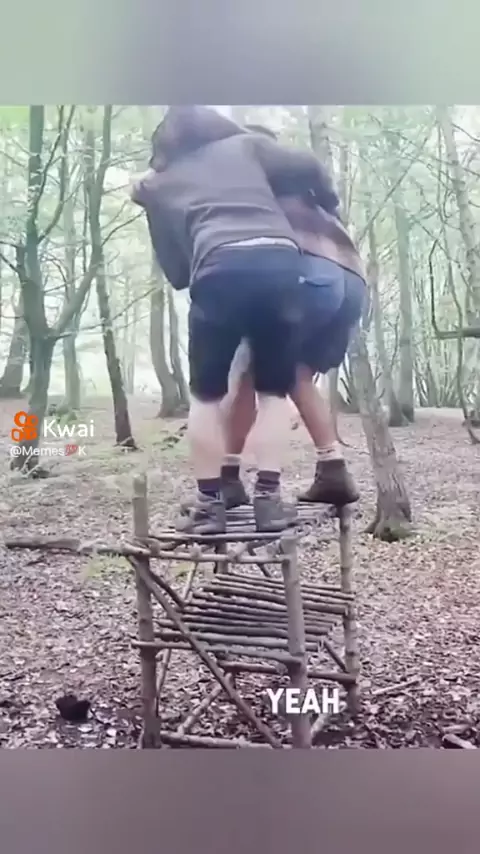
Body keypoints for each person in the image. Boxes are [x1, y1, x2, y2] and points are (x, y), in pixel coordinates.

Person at [131, 106, 340, 535]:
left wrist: (148, 193)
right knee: (273, 393)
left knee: (206, 397)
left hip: (217, 268)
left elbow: (175, 269)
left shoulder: (160, 183)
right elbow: (309, 165)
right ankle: (268, 501)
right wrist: (330, 203)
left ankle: (210, 506)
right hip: (279, 264)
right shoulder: (247, 146)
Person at [219, 124, 366, 511]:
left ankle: (228, 480)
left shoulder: (254, 188)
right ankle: (333, 469)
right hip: (351, 280)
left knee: (249, 370)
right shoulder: (308, 192)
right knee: (295, 372)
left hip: (305, 273)